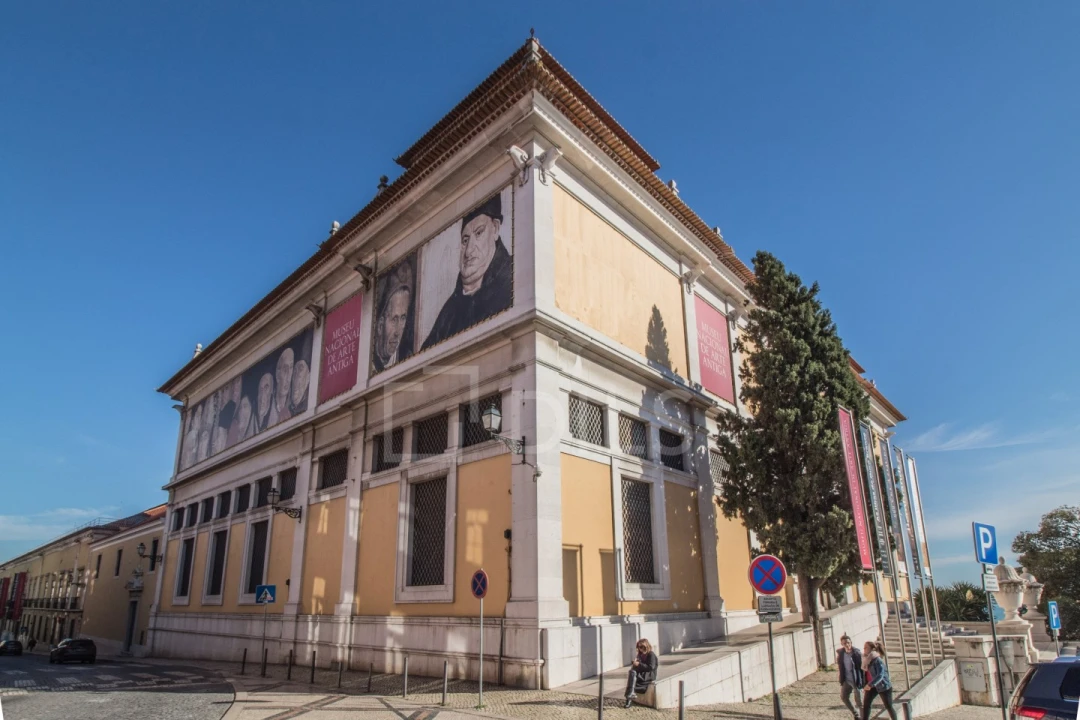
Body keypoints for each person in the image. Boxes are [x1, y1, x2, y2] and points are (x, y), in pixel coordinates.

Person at [421, 193, 512, 350]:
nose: (469, 251)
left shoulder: (513, 280)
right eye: (465, 240)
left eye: (479, 233)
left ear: (495, 229)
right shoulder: (450, 309)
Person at [373, 259, 416, 372]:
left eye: (403, 318)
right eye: (394, 319)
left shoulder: (408, 357)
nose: (397, 333)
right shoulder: (367, 361)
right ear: (380, 325)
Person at [861, 641, 897, 720]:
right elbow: (865, 674)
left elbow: (880, 675)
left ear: (872, 649)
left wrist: (870, 684)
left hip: (883, 685)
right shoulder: (866, 659)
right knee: (866, 705)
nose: (864, 649)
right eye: (864, 647)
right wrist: (865, 684)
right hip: (872, 686)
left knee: (888, 706)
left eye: (866, 647)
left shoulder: (877, 660)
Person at [624, 638, 658, 708]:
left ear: (646, 646)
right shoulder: (640, 655)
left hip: (649, 675)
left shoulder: (651, 654)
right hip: (642, 674)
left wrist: (639, 664)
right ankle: (630, 696)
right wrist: (635, 664)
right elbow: (639, 667)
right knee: (632, 672)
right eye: (638, 647)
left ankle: (628, 700)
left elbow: (651, 667)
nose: (640, 649)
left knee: (632, 679)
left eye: (641, 647)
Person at [836, 634, 864, 720]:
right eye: (845, 643)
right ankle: (856, 714)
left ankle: (864, 717)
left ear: (851, 642)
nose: (847, 645)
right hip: (847, 680)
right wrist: (841, 678)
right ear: (842, 644)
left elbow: (862, 668)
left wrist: (863, 681)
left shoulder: (856, 653)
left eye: (848, 642)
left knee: (859, 701)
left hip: (856, 680)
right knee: (844, 696)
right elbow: (841, 667)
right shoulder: (841, 654)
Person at [268, 347, 294, 427]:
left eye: (291, 368)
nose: (288, 376)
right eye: (285, 369)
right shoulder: (268, 408)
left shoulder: (294, 406)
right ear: (277, 374)